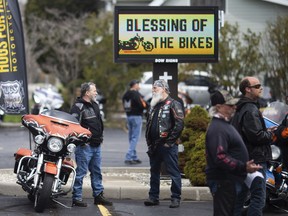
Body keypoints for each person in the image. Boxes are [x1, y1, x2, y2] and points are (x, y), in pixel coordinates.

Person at [205, 90, 262, 216]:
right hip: (224, 181)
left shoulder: (224, 124)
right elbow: (219, 157)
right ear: (219, 107)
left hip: (229, 180)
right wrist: (243, 166)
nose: (234, 107)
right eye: (230, 105)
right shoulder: (218, 128)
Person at [231, 77, 274, 216]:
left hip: (244, 157)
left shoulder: (240, 107)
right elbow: (256, 136)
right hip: (255, 159)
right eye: (257, 86)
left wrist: (266, 131)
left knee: (241, 195)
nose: (260, 88)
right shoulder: (250, 109)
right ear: (247, 89)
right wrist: (272, 135)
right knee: (258, 197)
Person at [70, 82, 112, 207]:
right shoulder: (77, 107)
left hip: (96, 145)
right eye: (94, 91)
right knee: (81, 172)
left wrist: (100, 138)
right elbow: (74, 127)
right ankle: (76, 198)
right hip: (85, 147)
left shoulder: (95, 105)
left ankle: (98, 196)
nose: (96, 93)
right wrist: (82, 142)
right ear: (87, 93)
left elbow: (98, 123)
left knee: (97, 172)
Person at [144, 79, 184, 208]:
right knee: (154, 172)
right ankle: (153, 197)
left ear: (164, 89)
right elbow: (149, 125)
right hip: (154, 145)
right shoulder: (154, 105)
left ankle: (176, 198)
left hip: (168, 146)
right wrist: (149, 143)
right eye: (153, 87)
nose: (153, 89)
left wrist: (169, 142)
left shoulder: (174, 104)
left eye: (156, 87)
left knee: (173, 172)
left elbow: (179, 124)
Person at [122, 79, 147, 165]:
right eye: (138, 84)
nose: (139, 85)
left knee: (131, 137)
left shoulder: (126, 94)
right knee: (135, 137)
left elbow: (124, 104)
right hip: (137, 116)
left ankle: (134, 156)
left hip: (129, 116)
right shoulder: (136, 94)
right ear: (135, 85)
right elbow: (142, 104)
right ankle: (128, 157)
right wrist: (147, 107)